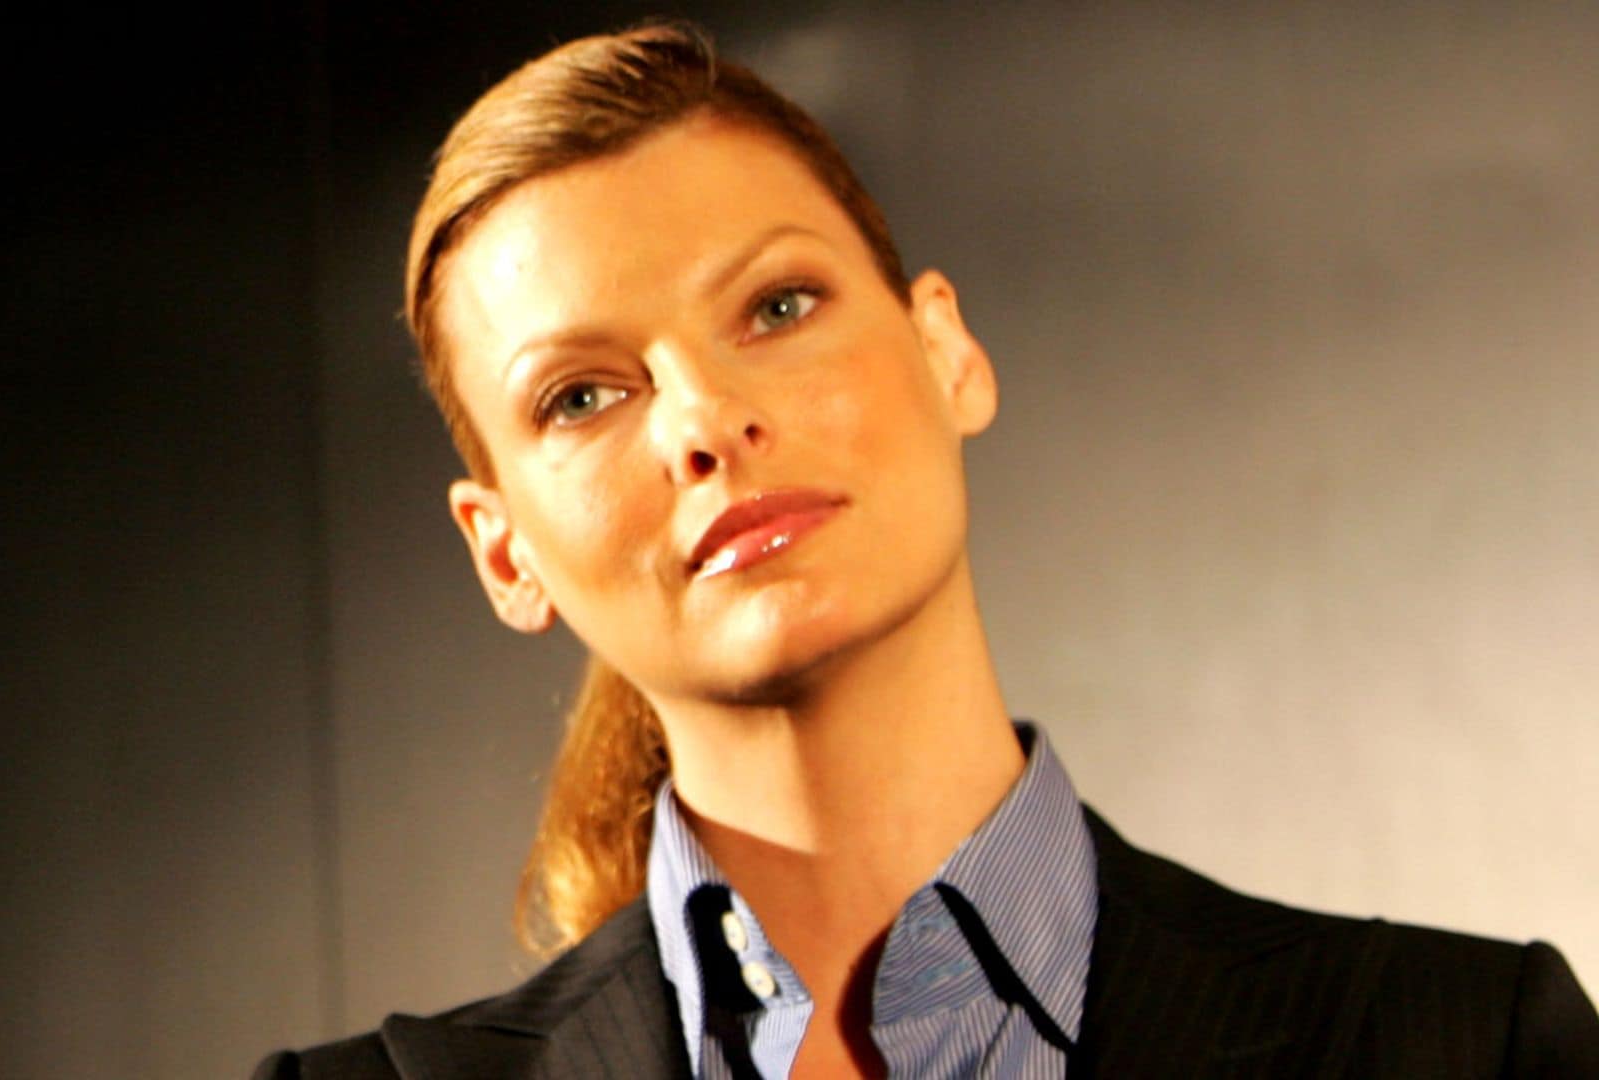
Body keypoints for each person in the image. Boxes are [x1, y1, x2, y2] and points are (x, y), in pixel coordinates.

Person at [256, 23, 1598, 1079]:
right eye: (583, 395)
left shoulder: (1465, 1048)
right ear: (504, 556)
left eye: (778, 306)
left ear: (945, 350)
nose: (705, 420)